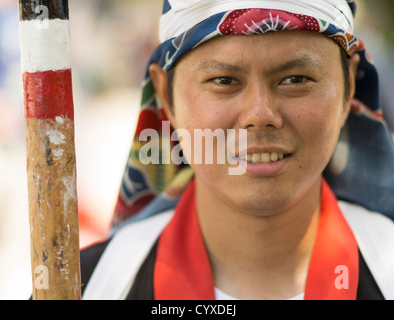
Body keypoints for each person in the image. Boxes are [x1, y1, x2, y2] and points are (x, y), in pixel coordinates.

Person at [80, 0, 394, 300]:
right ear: (166, 95)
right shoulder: (88, 287)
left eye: (296, 79)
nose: (260, 115)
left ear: (348, 87)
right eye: (224, 80)